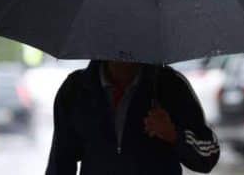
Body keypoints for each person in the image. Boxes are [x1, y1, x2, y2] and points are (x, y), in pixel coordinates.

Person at [45, 60, 219, 175]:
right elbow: (60, 162)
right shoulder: (76, 89)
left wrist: (174, 134)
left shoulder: (170, 85)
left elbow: (208, 155)